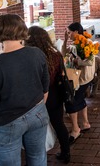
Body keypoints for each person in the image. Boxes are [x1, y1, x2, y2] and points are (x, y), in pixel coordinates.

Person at [0, 14, 49, 166]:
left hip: (7, 122)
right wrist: (37, 108)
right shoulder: (37, 53)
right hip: (38, 112)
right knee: (38, 158)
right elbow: (45, 88)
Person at [26, 26, 70, 163]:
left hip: (38, 97)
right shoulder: (55, 54)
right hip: (56, 95)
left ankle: (36, 158)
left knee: (35, 130)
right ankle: (66, 152)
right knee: (58, 124)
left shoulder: (32, 57)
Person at [61, 22, 94, 144]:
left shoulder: (85, 43)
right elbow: (63, 54)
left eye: (69, 33)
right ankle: (85, 123)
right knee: (80, 99)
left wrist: (76, 61)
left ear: (76, 32)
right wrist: (64, 41)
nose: (68, 35)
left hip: (82, 78)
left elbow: (89, 62)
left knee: (71, 102)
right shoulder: (76, 43)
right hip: (82, 78)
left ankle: (75, 129)